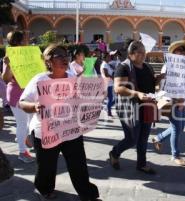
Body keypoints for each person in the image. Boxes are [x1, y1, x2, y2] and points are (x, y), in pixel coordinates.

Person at [19, 44, 100, 201]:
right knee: (46, 167)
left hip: (70, 130)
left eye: (66, 56)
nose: (65, 59)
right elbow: (22, 102)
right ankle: (45, 189)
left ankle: (88, 194)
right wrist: (35, 106)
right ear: (49, 61)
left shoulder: (72, 78)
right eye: (60, 56)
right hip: (46, 132)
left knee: (79, 165)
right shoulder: (39, 80)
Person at [108, 39, 162, 174]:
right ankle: (114, 153)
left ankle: (142, 164)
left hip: (147, 106)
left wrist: (159, 79)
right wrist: (137, 93)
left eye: (145, 52)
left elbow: (151, 84)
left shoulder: (147, 67)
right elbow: (118, 88)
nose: (144, 55)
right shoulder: (123, 67)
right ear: (131, 53)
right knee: (132, 139)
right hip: (129, 108)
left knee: (143, 138)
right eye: (140, 52)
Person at [152, 40, 185, 166]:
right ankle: (175, 155)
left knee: (181, 128)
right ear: (173, 53)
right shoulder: (168, 66)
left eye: (182, 51)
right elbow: (164, 86)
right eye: (178, 51)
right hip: (172, 101)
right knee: (176, 128)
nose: (180, 53)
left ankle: (158, 138)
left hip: (182, 101)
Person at [2, 31, 34, 163]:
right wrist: (8, 65)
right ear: (19, 41)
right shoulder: (11, 56)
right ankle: (22, 152)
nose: (27, 41)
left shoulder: (28, 54)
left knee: (30, 123)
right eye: (25, 39)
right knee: (22, 124)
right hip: (16, 95)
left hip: (28, 93)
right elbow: (5, 79)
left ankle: (23, 138)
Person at [100, 52, 115, 117]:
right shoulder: (104, 65)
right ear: (105, 57)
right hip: (107, 83)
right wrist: (113, 77)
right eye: (108, 56)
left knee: (111, 98)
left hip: (110, 83)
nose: (109, 58)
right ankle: (108, 111)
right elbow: (106, 74)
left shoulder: (107, 64)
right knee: (110, 98)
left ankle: (107, 109)